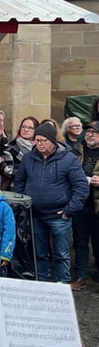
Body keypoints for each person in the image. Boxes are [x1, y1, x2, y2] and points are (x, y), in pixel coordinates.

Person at [14, 122, 89, 283]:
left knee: (61, 254)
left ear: (52, 141)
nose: (39, 144)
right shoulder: (28, 158)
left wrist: (70, 210)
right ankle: (42, 283)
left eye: (43, 141)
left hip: (59, 215)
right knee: (39, 253)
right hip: (35, 214)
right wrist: (24, 204)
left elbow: (81, 186)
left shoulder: (68, 159)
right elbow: (19, 182)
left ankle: (62, 285)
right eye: (37, 140)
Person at [70, 121, 99, 291]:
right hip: (79, 203)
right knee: (80, 241)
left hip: (97, 205)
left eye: (94, 132)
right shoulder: (77, 150)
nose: (90, 134)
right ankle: (80, 276)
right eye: (88, 131)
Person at [0, 116, 39, 190]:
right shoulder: (10, 147)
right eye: (23, 126)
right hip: (15, 188)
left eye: (30, 128)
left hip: (36, 188)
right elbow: (8, 170)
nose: (26, 130)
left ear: (36, 130)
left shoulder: (40, 148)